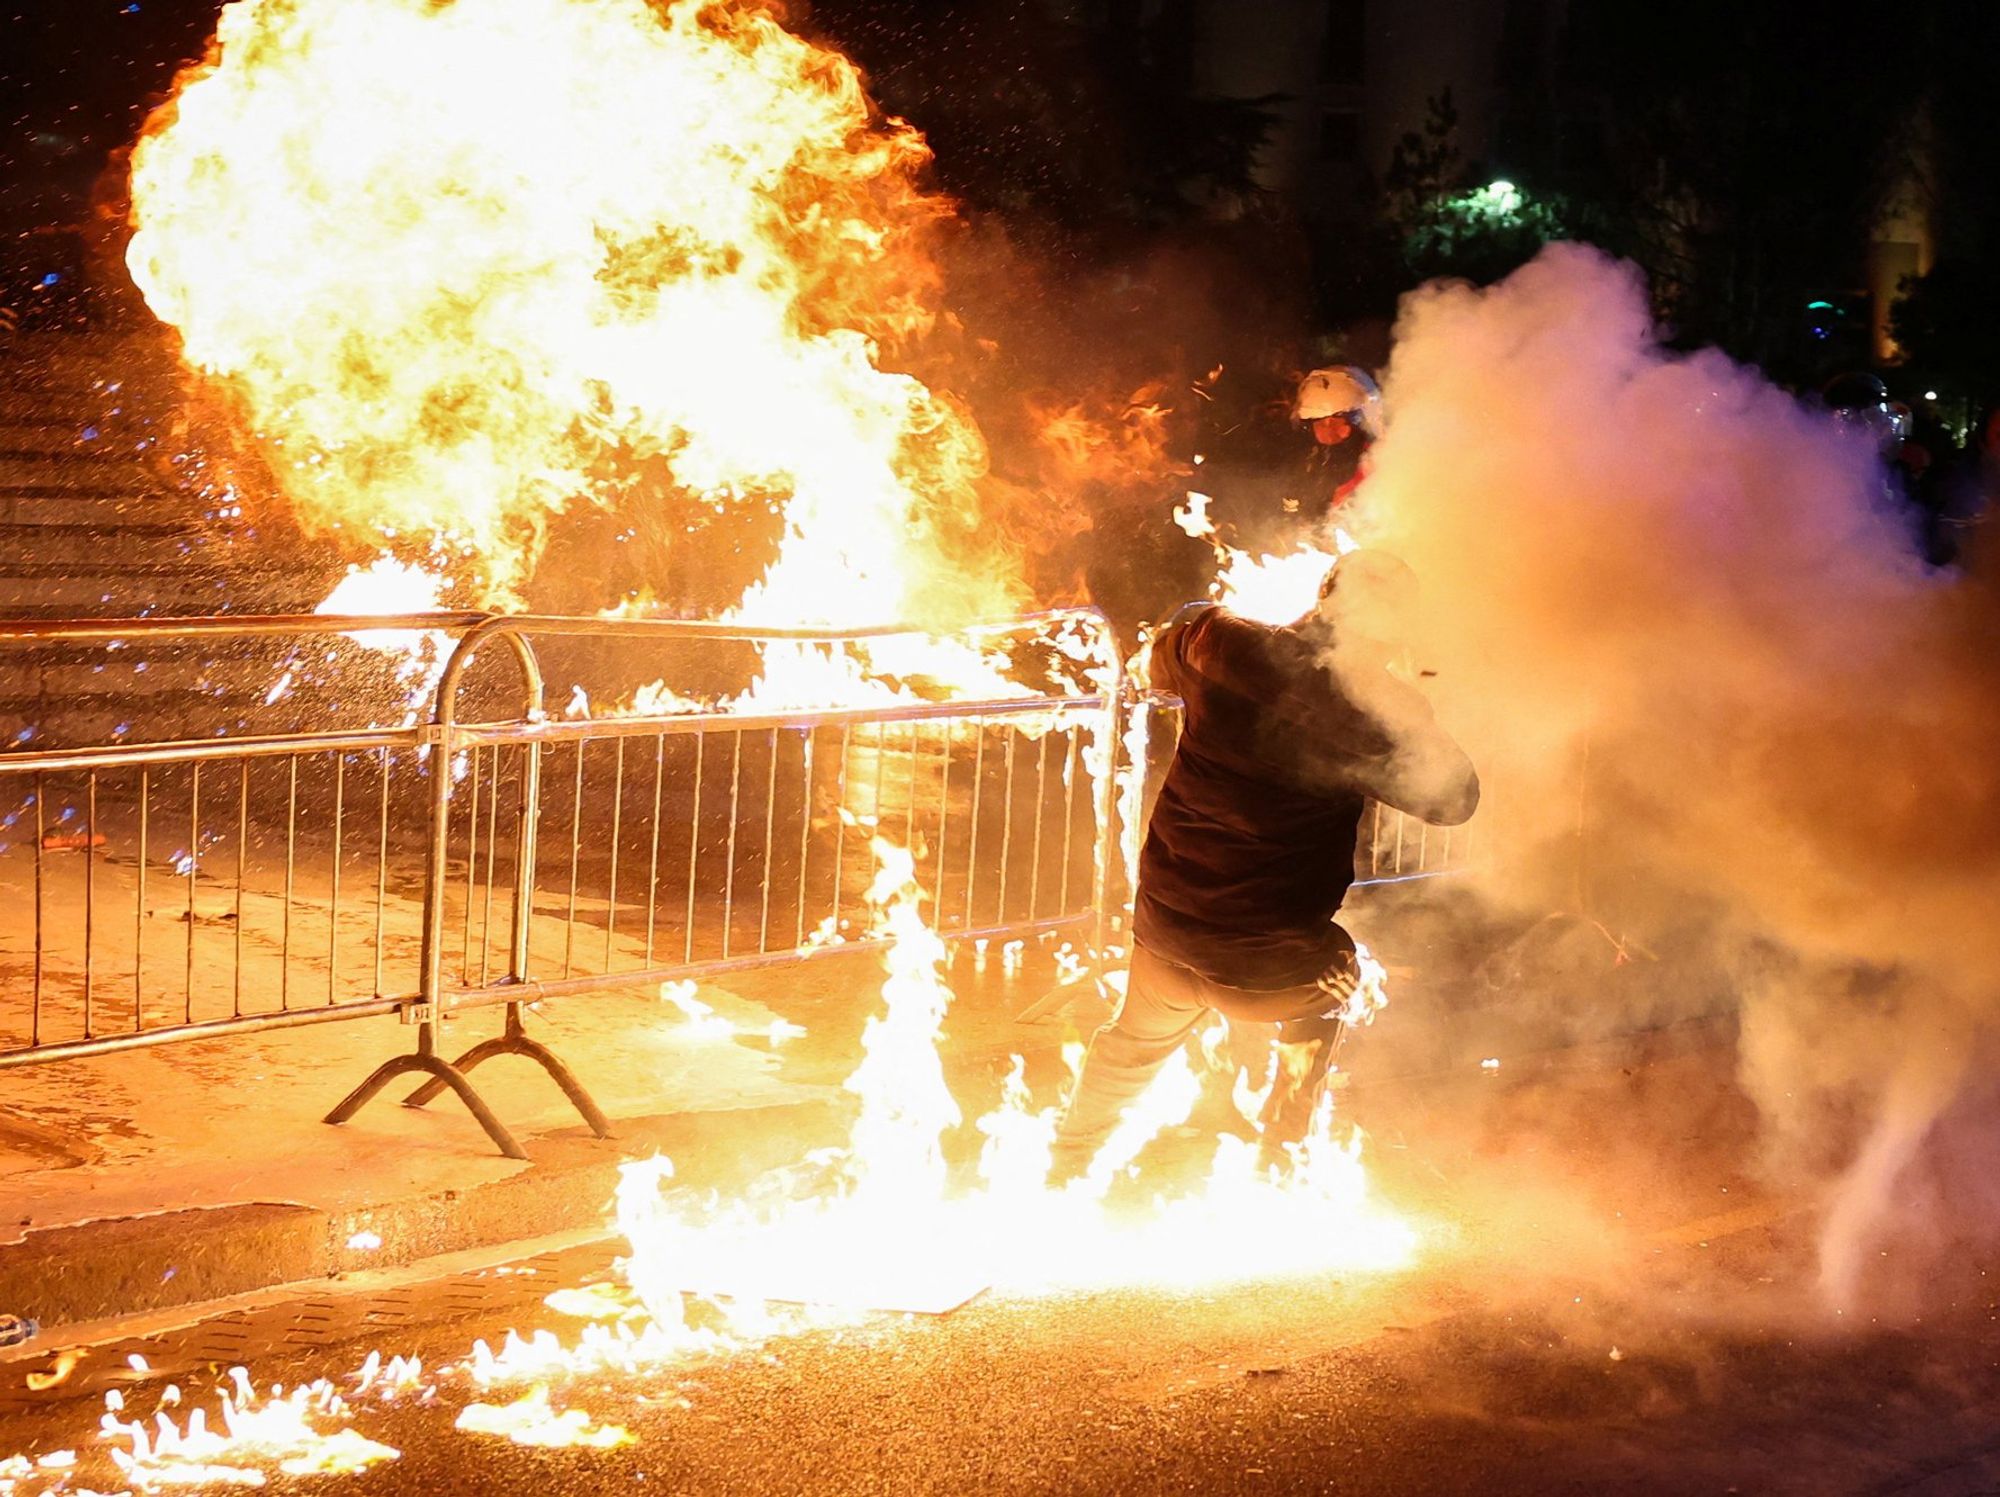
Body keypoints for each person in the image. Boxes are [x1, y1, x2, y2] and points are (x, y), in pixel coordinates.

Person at [1050, 551, 1479, 1181]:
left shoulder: (1223, 641)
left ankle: (1066, 1165)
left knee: (1132, 1048)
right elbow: (1455, 800)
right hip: (1269, 967)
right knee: (1334, 979)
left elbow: (1155, 662)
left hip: (1170, 926)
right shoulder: (1378, 713)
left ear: (1325, 592)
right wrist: (1418, 708)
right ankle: (1281, 1156)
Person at [1293, 366, 1382, 515]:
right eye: (1320, 423)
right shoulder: (1308, 461)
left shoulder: (1382, 465)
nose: (1328, 431)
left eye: (1337, 422)